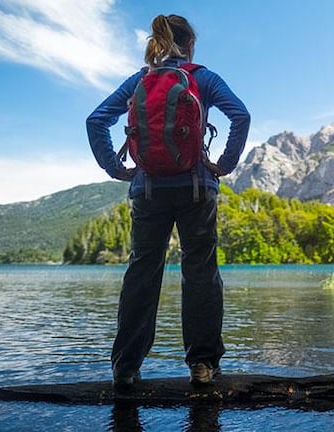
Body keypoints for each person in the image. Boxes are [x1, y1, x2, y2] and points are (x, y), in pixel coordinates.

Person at [86, 14, 250, 390]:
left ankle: (125, 368)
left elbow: (96, 121)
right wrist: (222, 164)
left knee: (142, 273)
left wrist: (116, 167)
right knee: (200, 273)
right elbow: (240, 115)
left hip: (147, 190)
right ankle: (203, 366)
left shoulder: (139, 80)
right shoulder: (203, 77)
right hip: (196, 189)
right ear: (190, 44)